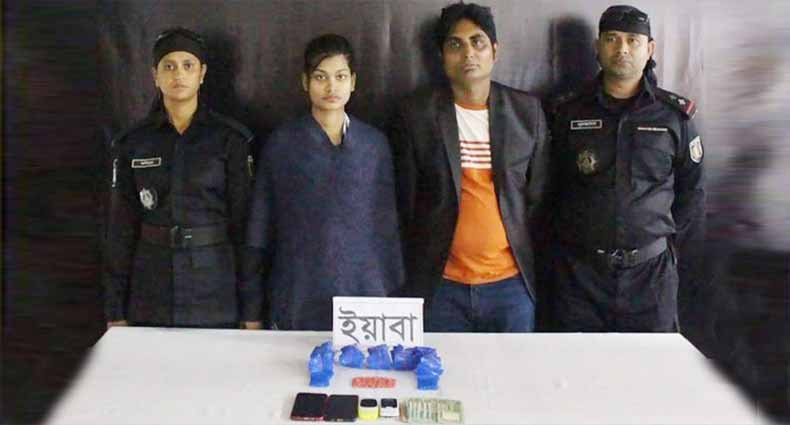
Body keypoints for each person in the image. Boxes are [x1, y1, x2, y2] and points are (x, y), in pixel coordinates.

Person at [390, 2, 550, 332]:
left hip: (511, 287)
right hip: (441, 287)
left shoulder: (526, 113)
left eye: (478, 42)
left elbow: (538, 198)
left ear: (495, 50)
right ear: (441, 55)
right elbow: (406, 202)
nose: (468, 54)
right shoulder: (415, 115)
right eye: (455, 44)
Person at [547, 5, 706, 332]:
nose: (622, 48)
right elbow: (548, 188)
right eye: (612, 39)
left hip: (650, 277)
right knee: (576, 362)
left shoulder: (673, 117)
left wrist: (661, 245)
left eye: (633, 40)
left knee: (651, 363)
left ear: (649, 49)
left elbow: (692, 192)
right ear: (597, 46)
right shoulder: (567, 112)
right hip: (579, 277)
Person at [103, 27, 261, 329]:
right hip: (151, 284)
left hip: (214, 283)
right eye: (169, 66)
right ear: (155, 75)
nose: (179, 74)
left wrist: (251, 311)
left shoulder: (230, 140)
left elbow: (245, 228)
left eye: (188, 65)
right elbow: (120, 230)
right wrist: (115, 310)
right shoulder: (133, 143)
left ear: (202, 73)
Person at [243, 34, 403, 330]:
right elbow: (260, 229)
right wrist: (252, 310)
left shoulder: (374, 145)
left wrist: (389, 296)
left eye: (340, 76)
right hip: (299, 290)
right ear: (305, 82)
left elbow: (387, 230)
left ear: (353, 81)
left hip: (363, 292)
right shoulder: (282, 143)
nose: (331, 87)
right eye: (320, 77)